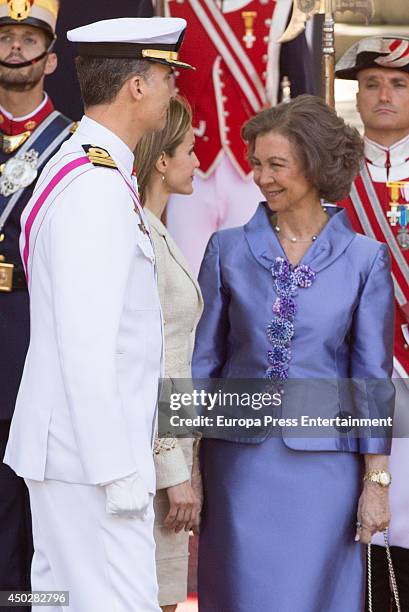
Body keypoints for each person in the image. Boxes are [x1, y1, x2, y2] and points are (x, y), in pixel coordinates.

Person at [3, 16, 193, 612]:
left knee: (62, 603)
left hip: (76, 454)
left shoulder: (90, 168)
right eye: (167, 76)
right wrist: (118, 473)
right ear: (137, 85)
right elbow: (86, 345)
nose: (173, 92)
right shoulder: (93, 185)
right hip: (91, 463)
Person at [193, 94, 394, 612]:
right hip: (236, 464)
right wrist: (186, 464)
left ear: (315, 165)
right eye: (256, 163)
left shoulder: (365, 259)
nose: (262, 177)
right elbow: (202, 366)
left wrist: (376, 483)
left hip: (327, 469)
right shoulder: (227, 249)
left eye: (276, 164)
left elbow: (371, 381)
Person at [0, 0, 73, 605]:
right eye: (6, 35)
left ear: (51, 58)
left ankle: (29, 603)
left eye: (30, 38)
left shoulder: (73, 143)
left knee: (32, 497)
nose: (17, 47)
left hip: (33, 333)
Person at [336, 36, 409, 611]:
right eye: (372, 84)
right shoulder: (330, 178)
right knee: (363, 519)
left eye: (399, 83)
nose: (383, 94)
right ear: (356, 95)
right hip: (359, 374)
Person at [165, 0, 314, 276]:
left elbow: (302, 88)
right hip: (187, 169)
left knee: (252, 279)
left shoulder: (281, 6)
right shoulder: (169, 5)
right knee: (185, 278)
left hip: (256, 172)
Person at [134, 96, 203, 612]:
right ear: (162, 161)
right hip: (154, 452)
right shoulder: (140, 236)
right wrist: (173, 470)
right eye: (189, 151)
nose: (198, 161)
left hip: (174, 442)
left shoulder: (158, 229)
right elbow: (146, 361)